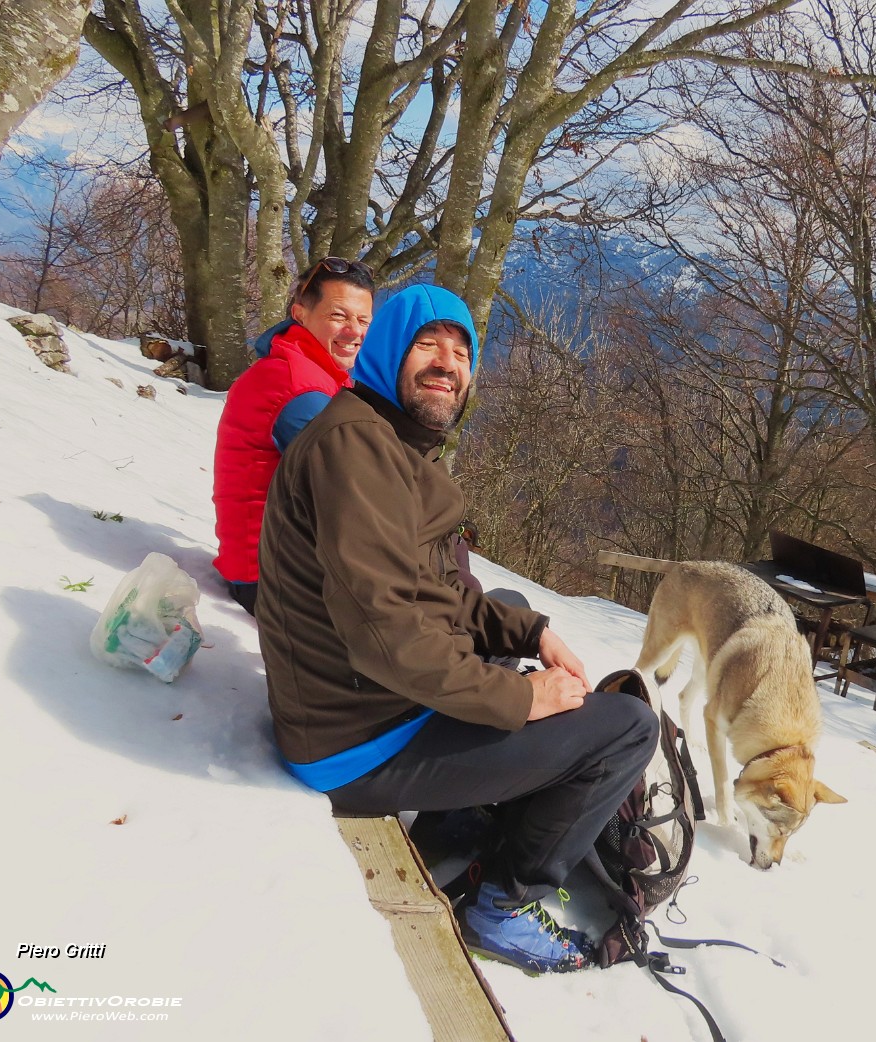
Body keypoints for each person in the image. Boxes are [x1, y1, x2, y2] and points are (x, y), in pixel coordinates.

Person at [255, 284, 658, 974]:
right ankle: (502, 906)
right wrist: (520, 700)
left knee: (496, 606)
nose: (448, 361)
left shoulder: (382, 443)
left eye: (462, 349)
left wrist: (529, 633)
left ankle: (458, 811)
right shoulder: (356, 453)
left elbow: (438, 594)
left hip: (363, 707)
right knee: (627, 728)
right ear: (387, 353)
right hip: (357, 744)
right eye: (428, 343)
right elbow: (385, 632)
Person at [211, 258, 375, 614]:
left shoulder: (308, 370)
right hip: (272, 580)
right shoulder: (299, 389)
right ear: (300, 314)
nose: (354, 331)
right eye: (338, 316)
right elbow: (355, 493)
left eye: (363, 320)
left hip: (270, 564)